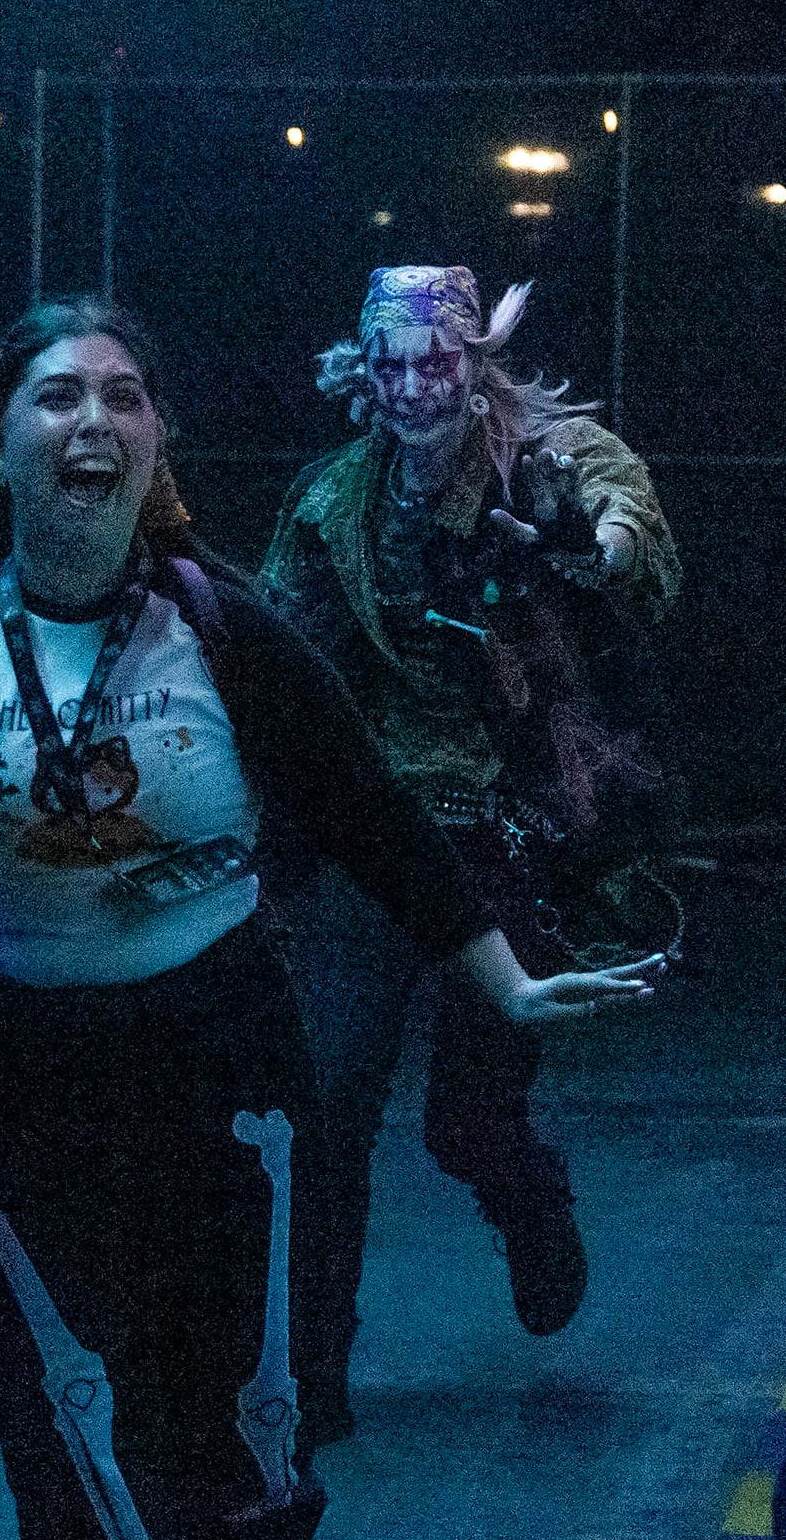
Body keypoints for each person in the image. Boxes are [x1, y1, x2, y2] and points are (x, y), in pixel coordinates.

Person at [0, 296, 660, 1540]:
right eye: (56, 395)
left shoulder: (224, 623)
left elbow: (371, 809)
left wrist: (509, 981)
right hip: (2, 1109)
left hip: (216, 1072)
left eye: (125, 393)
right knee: (63, 1442)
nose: (93, 419)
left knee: (235, 1427)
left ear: (156, 445)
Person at [261, 267, 681, 1433]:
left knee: (469, 1118)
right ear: (364, 373)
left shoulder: (537, 470)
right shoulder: (331, 501)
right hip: (373, 832)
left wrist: (587, 548)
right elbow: (269, 659)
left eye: (434, 363)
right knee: (329, 1103)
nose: (411, 388)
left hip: (511, 821)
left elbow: (623, 516)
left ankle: (528, 1199)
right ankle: (314, 1368)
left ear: (471, 363)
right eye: (388, 367)